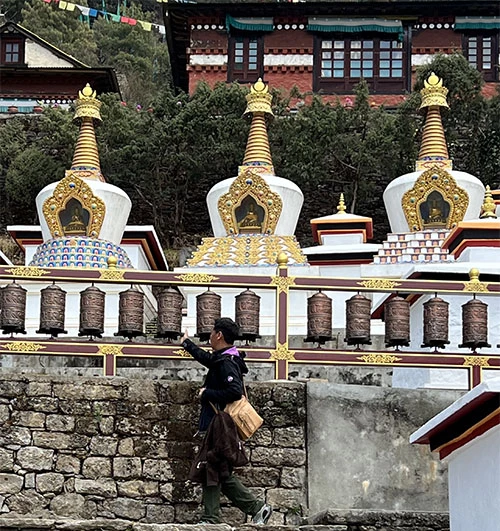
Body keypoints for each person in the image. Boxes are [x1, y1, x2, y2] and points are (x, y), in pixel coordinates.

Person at [181, 317, 272, 525]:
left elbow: (234, 391)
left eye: (212, 333)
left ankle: (213, 517)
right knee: (217, 471)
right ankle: (256, 508)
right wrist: (187, 344)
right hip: (216, 424)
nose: (210, 336)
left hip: (217, 424)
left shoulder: (227, 362)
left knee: (211, 467)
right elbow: (207, 359)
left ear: (219, 335)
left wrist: (206, 393)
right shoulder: (224, 358)